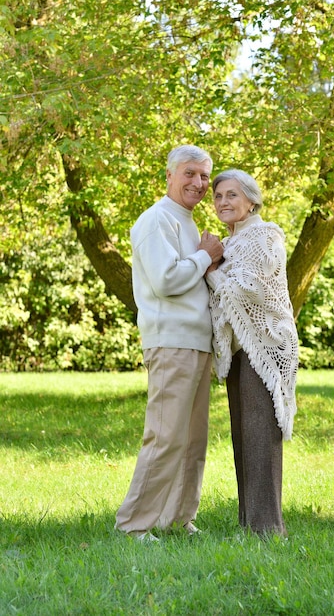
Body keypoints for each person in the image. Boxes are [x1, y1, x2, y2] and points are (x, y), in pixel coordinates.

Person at [115, 145, 224, 542]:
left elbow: (193, 276)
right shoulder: (155, 220)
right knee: (165, 436)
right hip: (171, 342)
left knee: (193, 439)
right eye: (190, 174)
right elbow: (165, 281)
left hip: (197, 343)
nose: (199, 183)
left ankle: (178, 517)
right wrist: (203, 256)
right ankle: (134, 524)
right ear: (170, 175)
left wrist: (205, 259)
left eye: (204, 177)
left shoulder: (188, 223)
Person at [205, 169, 298, 536]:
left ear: (251, 200)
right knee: (244, 437)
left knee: (261, 438)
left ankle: (269, 528)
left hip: (266, 346)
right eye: (218, 197)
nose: (224, 202)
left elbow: (247, 290)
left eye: (231, 195)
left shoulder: (263, 236)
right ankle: (250, 523)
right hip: (242, 349)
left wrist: (210, 269)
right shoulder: (231, 242)